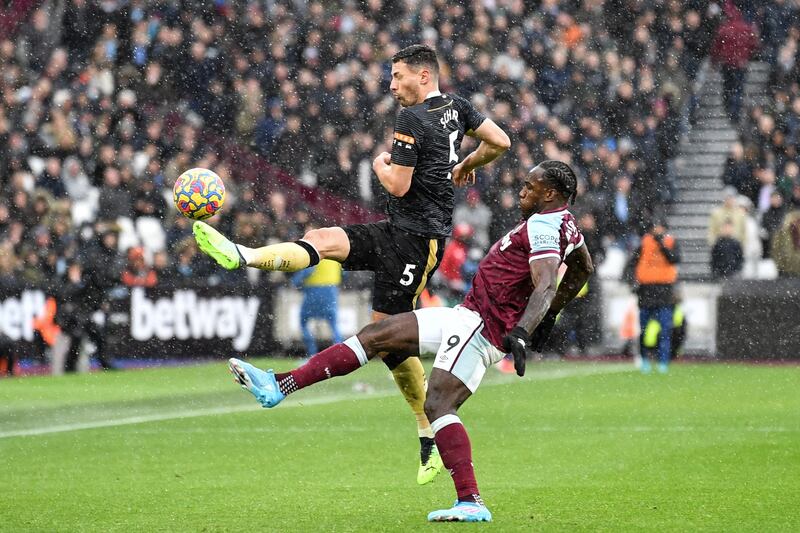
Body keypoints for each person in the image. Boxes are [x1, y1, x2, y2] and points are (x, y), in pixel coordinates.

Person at [194, 44, 511, 484]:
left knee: (385, 341)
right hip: (395, 229)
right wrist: (467, 164)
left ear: (423, 76)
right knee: (322, 241)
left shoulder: (412, 119)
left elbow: (397, 185)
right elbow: (500, 141)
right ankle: (242, 255)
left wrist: (379, 162)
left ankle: (426, 433)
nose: (392, 84)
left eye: (398, 75)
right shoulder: (457, 107)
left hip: (417, 243)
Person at [226, 161, 592, 522]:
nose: (522, 190)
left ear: (550, 193)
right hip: (466, 316)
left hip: (481, 328)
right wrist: (550, 316)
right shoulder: (566, 225)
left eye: (531, 186)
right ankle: (279, 386)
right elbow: (582, 268)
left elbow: (546, 282)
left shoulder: (545, 224)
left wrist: (527, 330)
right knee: (377, 337)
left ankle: (471, 500)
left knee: (438, 404)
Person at [630, 219, 681, 374]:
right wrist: (632, 282)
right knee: (644, 329)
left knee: (665, 329)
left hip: (664, 291)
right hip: (646, 291)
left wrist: (662, 245)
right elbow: (633, 262)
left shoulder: (671, 242)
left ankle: (663, 361)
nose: (657, 230)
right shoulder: (643, 243)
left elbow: (674, 259)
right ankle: (644, 359)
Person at [291, 258, 343, 355]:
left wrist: (294, 282)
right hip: (331, 291)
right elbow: (344, 273)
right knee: (334, 324)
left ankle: (312, 354)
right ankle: (339, 354)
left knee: (303, 322)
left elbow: (307, 271)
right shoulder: (336, 256)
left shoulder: (316, 254)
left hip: (313, 292)